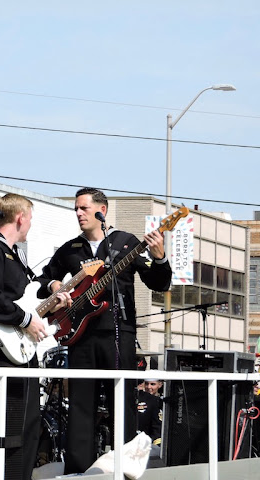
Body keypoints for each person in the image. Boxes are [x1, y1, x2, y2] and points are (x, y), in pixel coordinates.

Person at [37, 187, 171, 474]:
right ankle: (78, 470)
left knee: (122, 401)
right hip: (80, 335)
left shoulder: (125, 242)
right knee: (80, 404)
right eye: (76, 208)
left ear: (102, 211)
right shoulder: (71, 248)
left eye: (84, 208)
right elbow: (43, 280)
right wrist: (55, 286)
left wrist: (160, 257)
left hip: (118, 332)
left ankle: (124, 468)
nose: (78, 213)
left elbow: (159, 283)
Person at [0, 193, 70, 480]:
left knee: (26, 426)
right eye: (30, 218)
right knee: (11, 427)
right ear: (20, 218)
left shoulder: (13, 253)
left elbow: (23, 298)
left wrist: (51, 300)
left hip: (19, 351)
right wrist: (26, 320)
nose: (30, 224)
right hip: (2, 351)